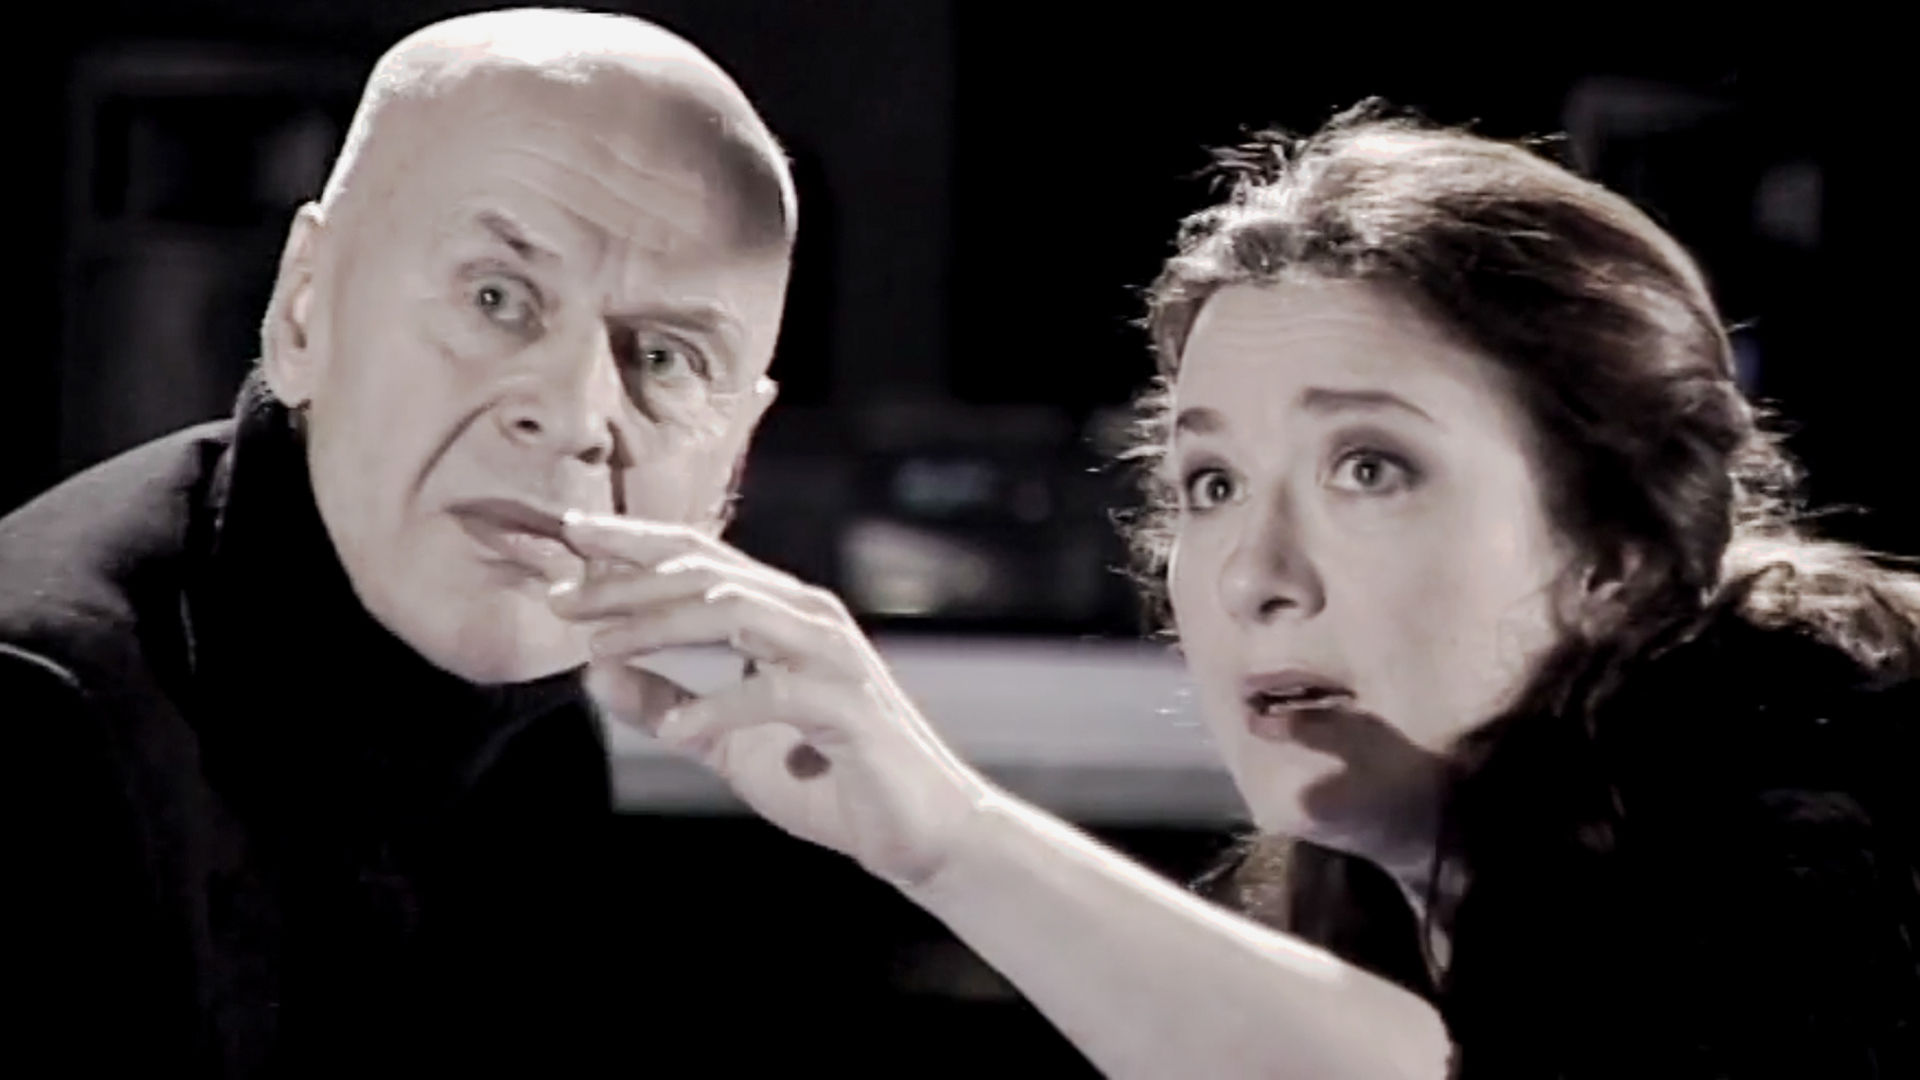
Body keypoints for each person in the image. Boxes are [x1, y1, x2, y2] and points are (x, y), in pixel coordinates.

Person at [554, 101, 1919, 1078]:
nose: (1257, 576)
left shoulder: (1822, 873)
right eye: (1209, 484)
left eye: (1370, 468)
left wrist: (949, 833)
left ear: (1613, 550)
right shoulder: (1388, 917)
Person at [1, 8, 792, 1074]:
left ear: (734, 459)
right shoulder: (41, 718)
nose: (573, 415)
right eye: (496, 298)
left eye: (664, 358)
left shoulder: (535, 717)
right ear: (303, 310)